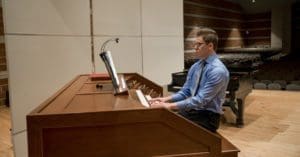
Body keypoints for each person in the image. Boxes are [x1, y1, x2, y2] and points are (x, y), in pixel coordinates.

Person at [149, 27, 229, 132]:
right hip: (192, 111)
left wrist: (168, 106)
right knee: (161, 120)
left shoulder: (218, 71)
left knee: (166, 128)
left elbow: (200, 100)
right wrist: (166, 100)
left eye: (199, 44)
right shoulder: (196, 66)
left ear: (210, 46)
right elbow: (185, 91)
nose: (195, 47)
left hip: (207, 117)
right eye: (194, 44)